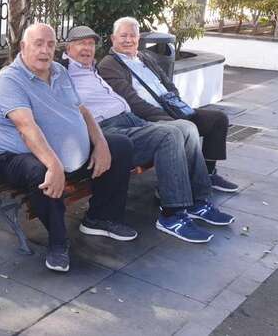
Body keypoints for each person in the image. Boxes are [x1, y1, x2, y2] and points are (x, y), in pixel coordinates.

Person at [63, 25, 235, 244]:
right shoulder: (63, 71)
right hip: (108, 129)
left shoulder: (92, 68)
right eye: (81, 43)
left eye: (90, 44)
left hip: (131, 120)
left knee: (186, 127)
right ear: (68, 48)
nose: (87, 48)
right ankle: (172, 215)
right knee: (169, 135)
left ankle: (198, 201)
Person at [0, 23, 137, 273]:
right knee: (41, 172)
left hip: (66, 155)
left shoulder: (59, 71)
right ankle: (58, 243)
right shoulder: (10, 79)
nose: (45, 50)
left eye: (50, 45)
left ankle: (100, 218)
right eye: (38, 44)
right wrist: (54, 164)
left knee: (121, 145)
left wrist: (101, 142)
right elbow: (26, 128)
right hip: (17, 157)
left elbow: (82, 110)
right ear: (23, 47)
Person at [98, 17, 240, 194]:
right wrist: (168, 117)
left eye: (132, 35)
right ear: (113, 38)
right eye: (123, 36)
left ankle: (209, 173)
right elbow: (133, 103)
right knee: (183, 128)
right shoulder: (109, 65)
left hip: (171, 109)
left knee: (218, 119)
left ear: (138, 38)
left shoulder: (144, 57)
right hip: (148, 117)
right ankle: (173, 186)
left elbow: (168, 84)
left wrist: (177, 106)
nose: (128, 40)